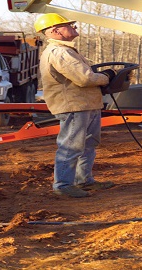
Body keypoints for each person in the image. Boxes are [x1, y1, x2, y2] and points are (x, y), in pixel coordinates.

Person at [34, 13, 115, 198]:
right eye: (69, 25)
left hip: (84, 104)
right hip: (73, 106)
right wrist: (107, 77)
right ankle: (63, 185)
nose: (74, 27)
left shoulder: (66, 50)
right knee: (71, 146)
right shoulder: (60, 52)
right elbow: (85, 78)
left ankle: (83, 181)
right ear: (55, 31)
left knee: (88, 143)